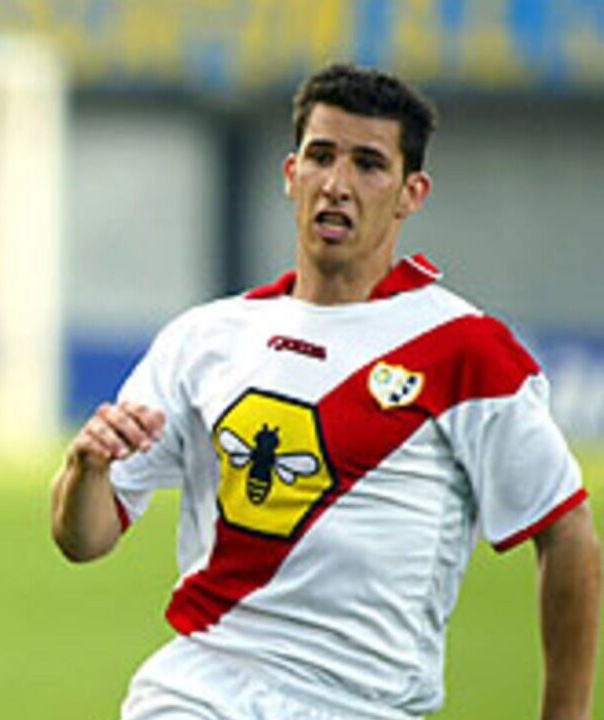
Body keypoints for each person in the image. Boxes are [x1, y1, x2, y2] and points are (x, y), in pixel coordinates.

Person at [51, 63, 600, 720]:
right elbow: (83, 541)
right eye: (321, 156)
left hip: (362, 704)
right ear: (291, 175)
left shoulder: (466, 350)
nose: (338, 184)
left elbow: (567, 533)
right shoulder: (206, 338)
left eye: (369, 164)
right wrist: (86, 468)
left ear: (410, 192)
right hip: (197, 691)